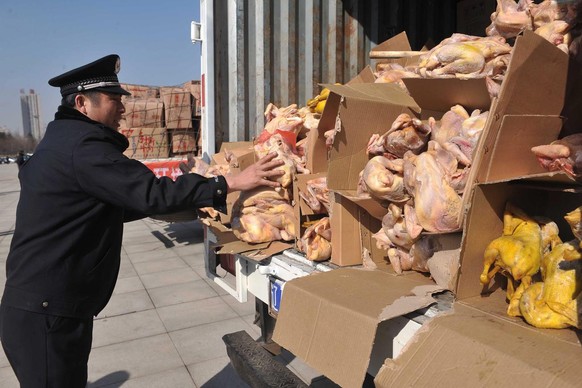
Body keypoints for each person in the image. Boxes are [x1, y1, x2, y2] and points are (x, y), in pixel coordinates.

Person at [0, 54, 284, 388]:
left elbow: (120, 204)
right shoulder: (83, 147)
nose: (122, 107)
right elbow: (149, 194)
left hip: (47, 307)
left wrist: (196, 198)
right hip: (47, 313)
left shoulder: (65, 140)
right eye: (113, 99)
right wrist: (228, 183)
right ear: (81, 102)